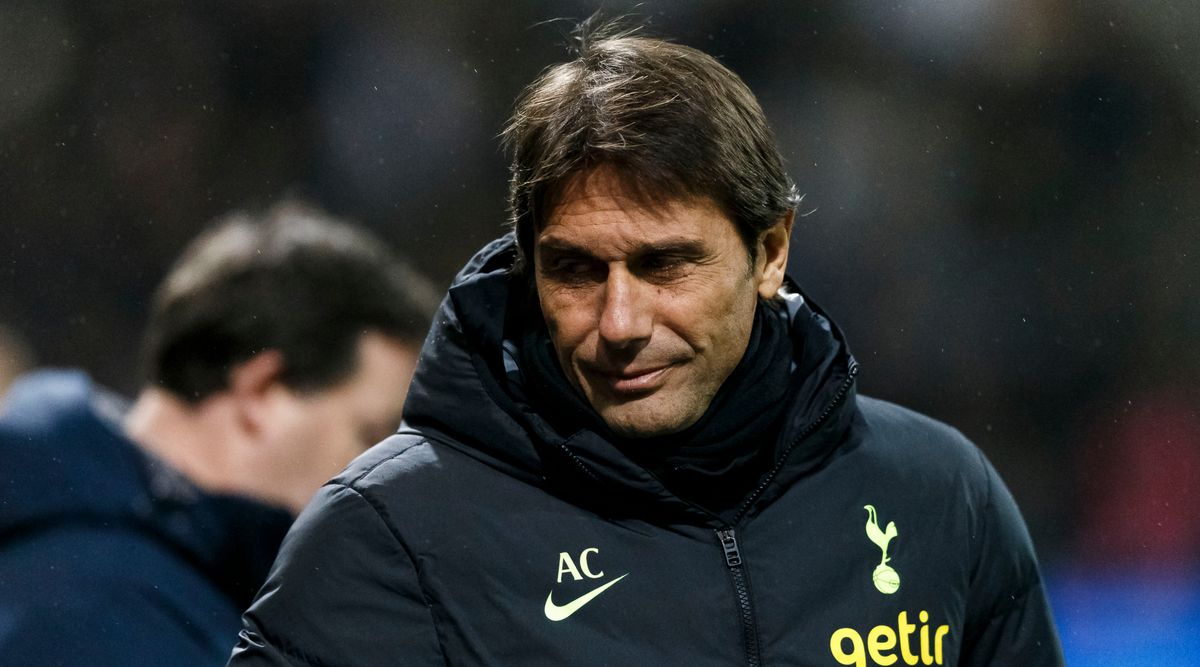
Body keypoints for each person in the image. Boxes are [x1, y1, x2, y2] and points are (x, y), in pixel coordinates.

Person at [230, 26, 1064, 666]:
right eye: (576, 270)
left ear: (771, 251)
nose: (621, 321)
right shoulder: (385, 539)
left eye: (664, 264)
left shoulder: (939, 498)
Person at [0, 202, 439, 665]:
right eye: (372, 436)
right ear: (260, 392)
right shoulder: (98, 620)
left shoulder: (150, 583)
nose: (391, 481)